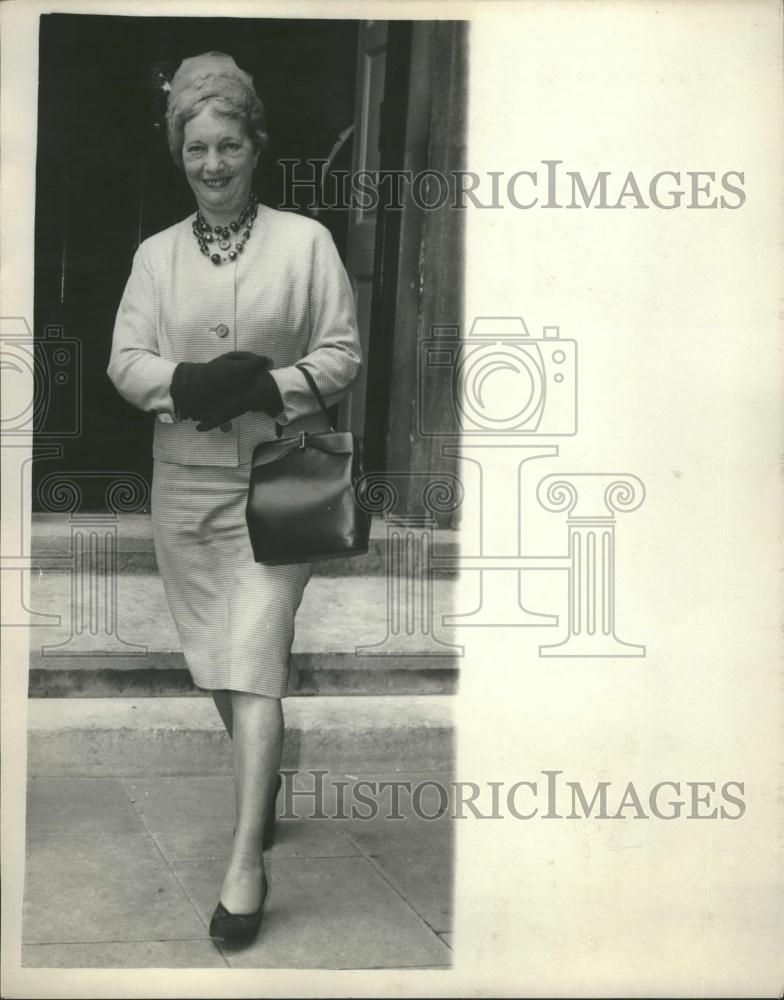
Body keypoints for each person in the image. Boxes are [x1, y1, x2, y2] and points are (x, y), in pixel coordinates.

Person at [107, 52, 362, 944]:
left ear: (256, 144)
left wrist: (268, 388)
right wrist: (188, 384)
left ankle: (245, 860)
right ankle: (266, 779)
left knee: (254, 664)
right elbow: (125, 361)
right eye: (195, 150)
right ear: (180, 155)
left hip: (276, 488)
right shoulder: (155, 256)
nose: (213, 165)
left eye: (229, 145)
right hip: (183, 491)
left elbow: (341, 353)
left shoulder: (307, 244)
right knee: (217, 665)